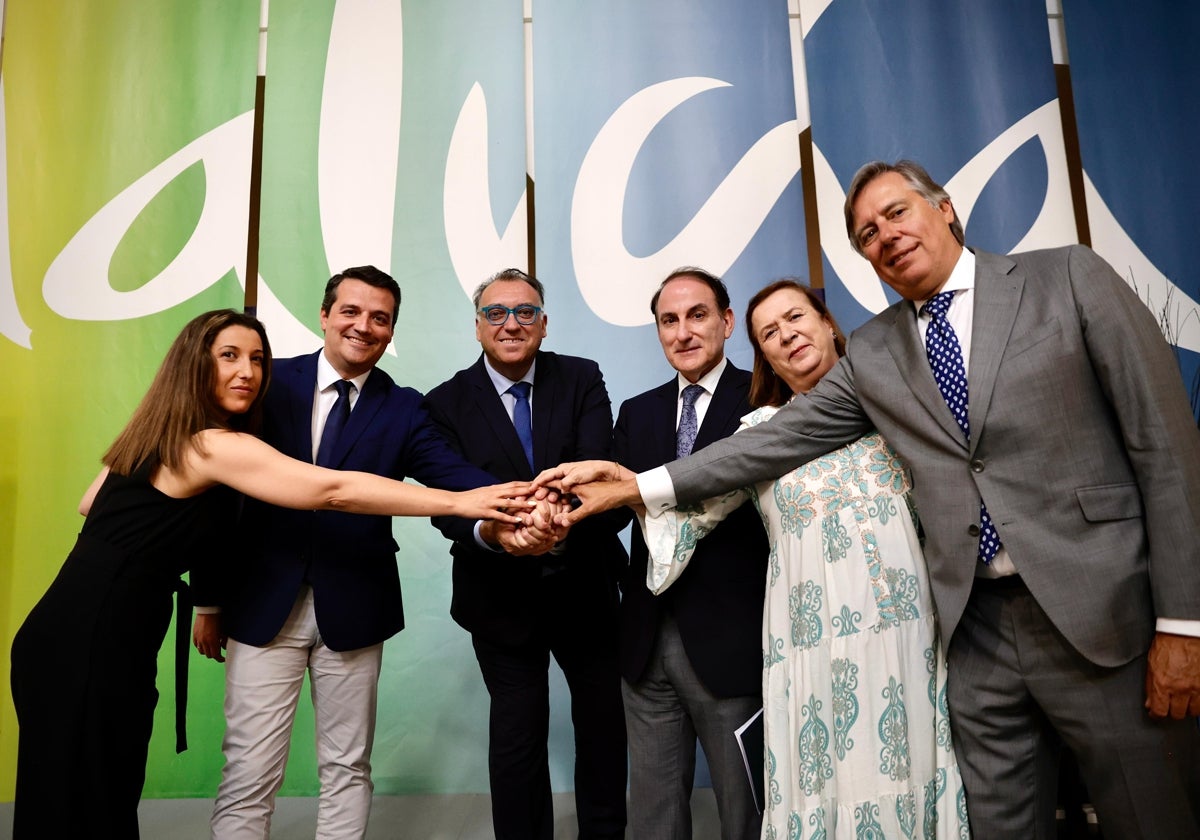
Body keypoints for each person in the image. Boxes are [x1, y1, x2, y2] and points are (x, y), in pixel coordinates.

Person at [541, 160, 1200, 838]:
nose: (883, 234)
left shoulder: (1066, 277)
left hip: (1094, 617)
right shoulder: (880, 354)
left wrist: (1184, 621)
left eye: (896, 213)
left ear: (943, 208)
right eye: (864, 233)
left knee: (1149, 815)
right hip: (972, 635)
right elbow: (772, 442)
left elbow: (1165, 447)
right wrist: (635, 483)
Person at [9, 309, 532, 839]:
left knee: (90, 793)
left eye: (258, 359)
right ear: (193, 365)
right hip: (90, 639)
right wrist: (464, 501)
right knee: (79, 801)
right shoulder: (215, 445)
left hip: (88, 632)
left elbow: (89, 503)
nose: (249, 372)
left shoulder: (165, 432)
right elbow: (333, 491)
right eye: (229, 356)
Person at [204, 267, 537, 839]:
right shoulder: (262, 382)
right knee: (249, 770)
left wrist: (517, 503)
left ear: (390, 333)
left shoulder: (405, 408)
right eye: (352, 312)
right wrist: (207, 601)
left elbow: (449, 476)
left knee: (347, 766)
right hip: (260, 604)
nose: (364, 326)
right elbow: (213, 497)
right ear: (325, 315)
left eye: (380, 318)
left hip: (356, 605)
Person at [636, 279, 966, 838]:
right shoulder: (758, 432)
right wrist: (604, 496)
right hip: (810, 650)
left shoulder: (900, 403)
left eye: (796, 318)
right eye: (770, 333)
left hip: (908, 636)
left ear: (828, 323)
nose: (787, 336)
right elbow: (684, 518)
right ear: (762, 353)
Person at [422, 268, 628, 840]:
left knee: (603, 728)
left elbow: (596, 464)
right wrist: (503, 534)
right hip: (497, 596)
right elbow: (450, 504)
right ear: (478, 325)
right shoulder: (443, 403)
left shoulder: (581, 378)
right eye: (496, 312)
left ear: (543, 323)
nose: (511, 323)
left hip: (585, 586)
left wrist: (554, 525)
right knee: (517, 737)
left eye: (525, 312)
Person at [614, 268, 768, 840]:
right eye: (668, 320)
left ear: (728, 322)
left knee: (745, 810)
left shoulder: (765, 397)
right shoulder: (638, 411)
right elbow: (611, 509)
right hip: (645, 641)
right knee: (653, 816)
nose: (683, 332)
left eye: (697, 315)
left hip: (733, 641)